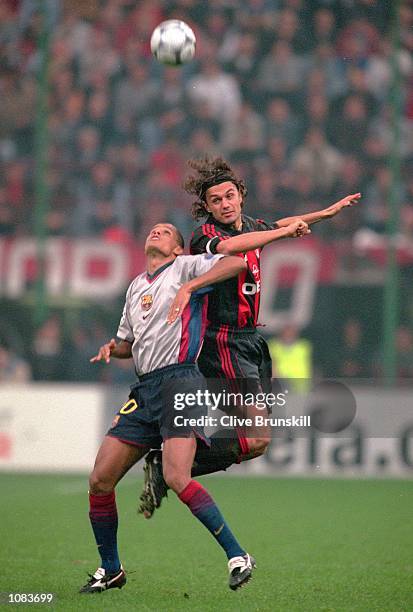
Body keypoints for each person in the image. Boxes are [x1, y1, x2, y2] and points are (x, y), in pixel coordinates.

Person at [81, 221, 305, 595]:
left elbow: (236, 264)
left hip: (182, 381)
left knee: (177, 477)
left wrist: (191, 286)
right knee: (100, 480)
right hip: (144, 389)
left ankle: (238, 556)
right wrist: (111, 348)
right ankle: (111, 568)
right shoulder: (136, 287)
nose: (156, 231)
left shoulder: (186, 266)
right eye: (152, 229)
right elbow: (128, 343)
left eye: (166, 231)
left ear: (177, 249)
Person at [139, 157, 361, 516]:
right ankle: (170, 468)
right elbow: (234, 250)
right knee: (257, 437)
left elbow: (278, 224)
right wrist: (283, 234)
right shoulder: (206, 236)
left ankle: (170, 467)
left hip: (250, 342)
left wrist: (325, 213)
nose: (225, 204)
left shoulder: (253, 225)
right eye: (216, 201)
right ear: (207, 208)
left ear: (241, 195)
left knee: (256, 440)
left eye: (229, 196)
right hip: (222, 341)